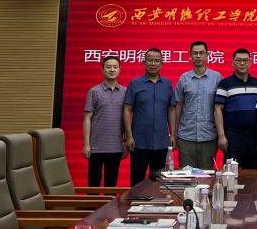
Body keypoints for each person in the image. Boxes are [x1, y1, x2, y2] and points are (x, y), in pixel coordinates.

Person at [124, 47, 178, 186]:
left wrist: (173, 134)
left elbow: (171, 109)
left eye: (156, 61)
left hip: (161, 142)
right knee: (137, 182)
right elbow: (127, 109)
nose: (153, 63)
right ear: (144, 62)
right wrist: (128, 136)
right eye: (150, 60)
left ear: (161, 63)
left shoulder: (167, 84)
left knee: (159, 183)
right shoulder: (135, 84)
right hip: (139, 142)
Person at [175, 40, 223, 170]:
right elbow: (178, 107)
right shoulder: (183, 78)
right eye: (195, 53)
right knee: (187, 176)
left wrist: (222, 135)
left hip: (209, 137)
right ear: (190, 55)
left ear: (207, 55)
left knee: (207, 176)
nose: (198, 56)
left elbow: (220, 109)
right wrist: (174, 134)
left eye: (201, 53)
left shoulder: (217, 78)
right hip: (186, 137)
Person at [214, 48, 257, 170]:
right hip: (233, 136)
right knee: (230, 174)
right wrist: (221, 136)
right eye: (239, 60)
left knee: (252, 174)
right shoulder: (225, 84)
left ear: (250, 63)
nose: (242, 63)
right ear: (232, 63)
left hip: (253, 137)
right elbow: (218, 109)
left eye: (245, 60)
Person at [82, 55, 126, 186]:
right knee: (93, 184)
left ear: (119, 70)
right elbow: (87, 119)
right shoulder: (94, 91)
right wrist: (86, 144)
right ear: (102, 70)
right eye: (108, 67)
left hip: (116, 146)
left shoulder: (125, 92)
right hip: (96, 147)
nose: (112, 70)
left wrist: (125, 141)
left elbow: (127, 119)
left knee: (111, 185)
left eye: (115, 67)